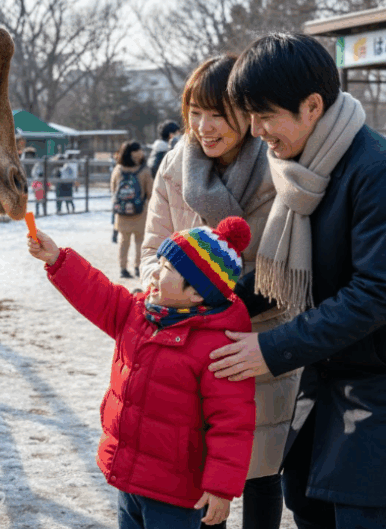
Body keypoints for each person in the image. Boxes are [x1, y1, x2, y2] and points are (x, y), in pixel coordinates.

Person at [209, 33, 386, 529]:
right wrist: (207, 301)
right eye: (249, 116)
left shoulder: (382, 174)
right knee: (306, 500)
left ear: (312, 106)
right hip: (328, 372)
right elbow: (285, 275)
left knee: (358, 512)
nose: (255, 131)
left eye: (265, 115)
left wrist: (269, 349)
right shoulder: (306, 169)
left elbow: (377, 294)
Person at [140, 55, 299, 529]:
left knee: (261, 471)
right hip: (187, 344)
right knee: (201, 473)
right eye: (194, 112)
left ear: (245, 113)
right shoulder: (173, 165)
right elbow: (153, 250)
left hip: (258, 338)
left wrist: (213, 307)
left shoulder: (278, 167)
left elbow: (283, 267)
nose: (203, 127)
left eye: (217, 114)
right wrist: (159, 284)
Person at [27, 216, 258, 528]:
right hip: (130, 477)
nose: (155, 272)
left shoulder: (219, 348)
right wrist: (57, 259)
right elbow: (97, 294)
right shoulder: (139, 313)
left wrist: (220, 488)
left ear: (196, 293)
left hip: (175, 494)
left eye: (167, 268)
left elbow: (233, 424)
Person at [111, 141, 153, 279]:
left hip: (122, 213)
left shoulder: (118, 169)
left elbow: (113, 189)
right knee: (140, 241)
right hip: (140, 212)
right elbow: (150, 192)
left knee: (124, 241)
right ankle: (137, 267)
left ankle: (123, 268)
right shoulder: (144, 171)